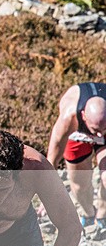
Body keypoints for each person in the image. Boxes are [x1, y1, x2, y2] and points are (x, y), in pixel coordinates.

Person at [46, 82, 106, 236]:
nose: (98, 136)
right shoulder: (69, 117)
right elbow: (53, 156)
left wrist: (101, 130)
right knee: (79, 184)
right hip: (78, 135)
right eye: (95, 130)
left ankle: (103, 215)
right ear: (84, 116)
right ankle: (88, 213)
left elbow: (100, 132)